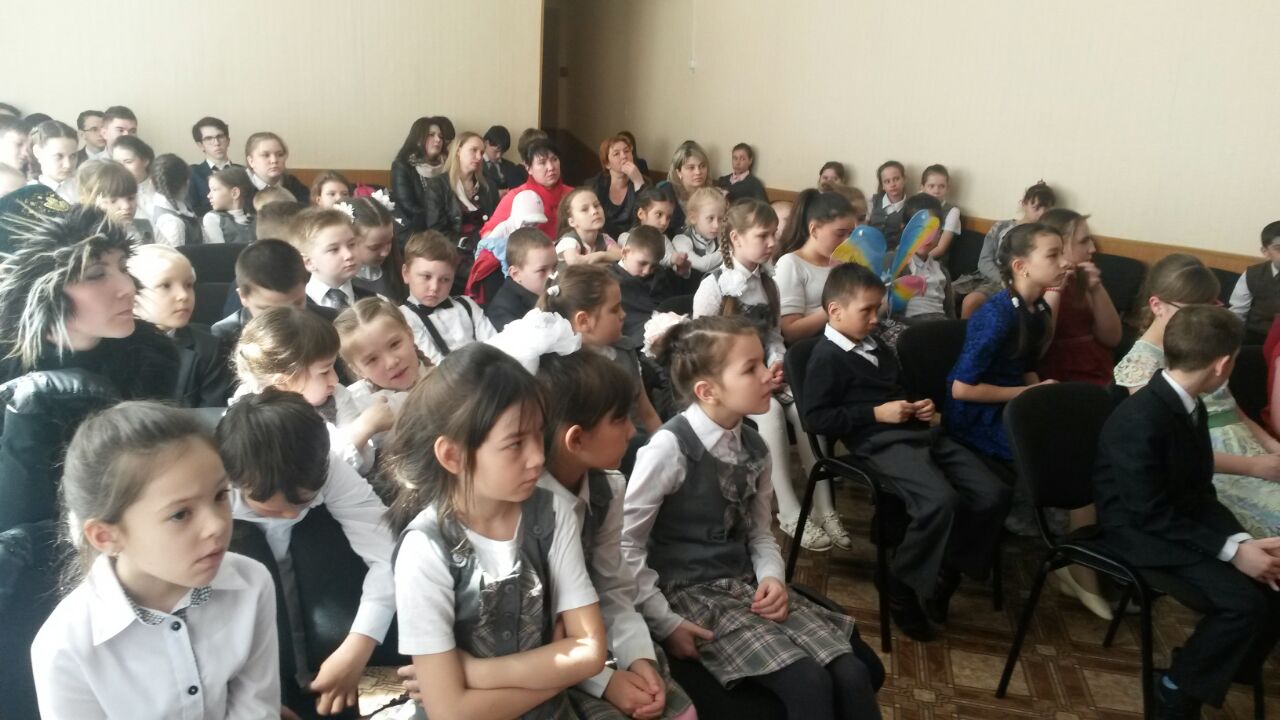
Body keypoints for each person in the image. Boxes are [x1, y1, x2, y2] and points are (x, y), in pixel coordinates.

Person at [623, 315, 883, 720]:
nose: (768, 374)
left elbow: (760, 534)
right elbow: (627, 547)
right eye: (751, 368)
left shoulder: (755, 446)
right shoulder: (669, 449)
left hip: (743, 585)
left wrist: (772, 578)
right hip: (687, 592)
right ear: (707, 390)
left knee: (851, 673)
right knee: (807, 682)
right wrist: (664, 621)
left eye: (763, 361)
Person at [0, 207, 180, 718]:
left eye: (122, 267)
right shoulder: (11, 378)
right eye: (97, 274)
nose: (126, 287)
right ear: (46, 290)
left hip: (131, 574)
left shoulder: (148, 365)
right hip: (24, 594)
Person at [384, 343, 608, 720]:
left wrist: (474, 673)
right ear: (452, 456)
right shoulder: (424, 550)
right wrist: (558, 674)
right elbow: (450, 712)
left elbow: (590, 652)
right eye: (515, 443)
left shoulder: (553, 512)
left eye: (539, 434)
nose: (538, 457)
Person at [489, 324, 697, 719]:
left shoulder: (607, 489)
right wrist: (604, 681)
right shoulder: (519, 513)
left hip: (593, 643)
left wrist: (638, 658)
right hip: (532, 666)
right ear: (576, 439)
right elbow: (524, 633)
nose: (632, 431)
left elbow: (613, 588)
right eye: (619, 420)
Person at [30, 402, 280, 719]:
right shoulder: (64, 648)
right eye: (180, 514)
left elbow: (256, 708)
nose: (217, 525)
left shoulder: (252, 583)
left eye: (220, 495)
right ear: (106, 537)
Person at [804, 263, 1009, 640]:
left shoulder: (876, 344)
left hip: (916, 431)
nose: (875, 317)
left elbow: (898, 390)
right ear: (835, 311)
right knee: (939, 501)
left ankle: (946, 568)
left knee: (992, 492)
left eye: (877, 308)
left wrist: (920, 405)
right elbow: (816, 418)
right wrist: (875, 414)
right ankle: (899, 584)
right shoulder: (826, 357)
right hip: (877, 442)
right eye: (866, 310)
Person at [1094, 305, 1280, 719]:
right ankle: (1174, 689)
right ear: (1223, 365)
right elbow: (1148, 514)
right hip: (1137, 532)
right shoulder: (1141, 418)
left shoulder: (1188, 404)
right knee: (1244, 605)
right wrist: (1232, 551)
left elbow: (1200, 493)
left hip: (1174, 520)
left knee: (1270, 578)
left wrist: (1242, 541)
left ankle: (1222, 669)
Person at [218, 389, 395, 718]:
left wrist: (358, 646)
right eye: (269, 507)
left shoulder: (326, 465)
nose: (289, 514)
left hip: (322, 602)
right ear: (233, 481)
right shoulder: (212, 489)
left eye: (303, 501)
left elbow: (387, 555)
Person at [1115, 254, 1280, 540]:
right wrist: (1254, 466)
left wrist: (1271, 446)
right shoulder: (1142, 363)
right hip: (1209, 462)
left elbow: (1234, 410)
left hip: (1246, 447)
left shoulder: (1202, 346)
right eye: (1195, 309)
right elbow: (1166, 449)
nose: (1207, 318)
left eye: (1212, 306)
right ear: (1158, 306)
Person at [541, 265, 663, 453]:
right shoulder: (566, 371)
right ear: (584, 321)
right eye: (615, 309)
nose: (623, 314)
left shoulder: (624, 350)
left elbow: (646, 413)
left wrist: (664, 446)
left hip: (642, 448)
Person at [129, 245, 233, 406]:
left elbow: (212, 412)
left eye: (188, 285)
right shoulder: (108, 346)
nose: (184, 295)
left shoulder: (209, 349)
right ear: (132, 295)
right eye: (165, 285)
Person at [1037, 209, 1121, 385]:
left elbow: (1112, 338)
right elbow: (1038, 348)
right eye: (1084, 241)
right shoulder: (1037, 285)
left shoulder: (1081, 277)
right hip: (1059, 374)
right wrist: (1055, 289)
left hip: (1094, 367)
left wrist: (1096, 289)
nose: (1093, 249)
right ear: (1058, 247)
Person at [210, 238, 340, 347]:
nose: (285, 320)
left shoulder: (331, 322)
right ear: (243, 297)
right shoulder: (224, 336)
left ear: (306, 285)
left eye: (297, 304)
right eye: (269, 310)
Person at [962, 181, 1056, 318]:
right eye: (1036, 207)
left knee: (971, 301)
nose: (1041, 213)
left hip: (1010, 280)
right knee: (944, 293)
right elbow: (984, 260)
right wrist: (999, 277)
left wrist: (1007, 281)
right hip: (983, 275)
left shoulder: (1042, 237)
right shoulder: (1001, 226)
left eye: (1046, 209)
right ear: (1024, 204)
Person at [399, 230, 495, 364]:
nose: (434, 287)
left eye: (445, 279)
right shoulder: (404, 317)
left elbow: (494, 344)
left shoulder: (467, 304)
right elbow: (433, 362)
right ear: (406, 273)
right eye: (426, 277)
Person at [480, 137, 573, 239]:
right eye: (542, 162)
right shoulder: (518, 196)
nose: (551, 167)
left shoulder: (572, 195)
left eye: (554, 159)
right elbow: (488, 233)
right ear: (528, 168)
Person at [424, 130, 498, 254]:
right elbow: (436, 231)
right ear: (458, 151)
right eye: (473, 150)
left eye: (481, 152)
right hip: (452, 252)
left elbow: (497, 222)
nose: (479, 157)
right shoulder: (437, 186)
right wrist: (465, 243)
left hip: (487, 249)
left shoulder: (489, 186)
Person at [293, 207, 376, 312]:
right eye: (334, 249)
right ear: (308, 262)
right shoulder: (295, 309)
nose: (349, 255)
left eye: (351, 244)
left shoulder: (374, 300)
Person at [390, 116, 454, 235]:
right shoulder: (402, 165)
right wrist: (438, 219)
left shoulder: (448, 165)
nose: (438, 140)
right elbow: (408, 206)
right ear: (418, 138)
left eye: (440, 136)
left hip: (445, 226)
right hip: (415, 229)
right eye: (431, 135)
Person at [487, 227, 558, 331]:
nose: (553, 275)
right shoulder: (503, 312)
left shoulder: (555, 292)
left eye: (555, 267)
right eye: (542, 270)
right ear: (516, 274)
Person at [609, 224, 664, 343]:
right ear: (625, 252)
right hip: (635, 338)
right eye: (642, 263)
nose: (647, 271)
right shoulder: (608, 280)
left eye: (653, 266)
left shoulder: (659, 275)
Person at [1228, 220, 1280, 345]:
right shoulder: (1252, 274)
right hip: (1255, 335)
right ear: (1265, 251)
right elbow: (1238, 312)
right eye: (1279, 249)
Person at [346, 194, 405, 302]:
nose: (385, 252)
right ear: (350, 243)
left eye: (389, 242)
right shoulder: (345, 284)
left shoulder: (396, 267)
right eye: (375, 247)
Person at [588, 134, 649, 238]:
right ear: (607, 164)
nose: (624, 156)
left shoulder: (644, 182)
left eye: (627, 151)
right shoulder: (595, 184)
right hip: (602, 238)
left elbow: (646, 216)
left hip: (633, 239)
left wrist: (638, 181)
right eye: (616, 154)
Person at [76, 158, 147, 243]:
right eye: (113, 200)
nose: (126, 206)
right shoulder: (83, 238)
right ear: (91, 201)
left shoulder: (146, 228)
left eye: (131, 198)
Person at [657, 142, 710, 240]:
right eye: (691, 168)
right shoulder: (667, 191)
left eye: (702, 166)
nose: (698, 172)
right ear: (679, 172)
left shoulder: (711, 195)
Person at [556, 187, 621, 268]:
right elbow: (574, 262)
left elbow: (622, 254)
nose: (595, 211)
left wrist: (600, 255)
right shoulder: (568, 241)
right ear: (572, 222)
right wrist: (605, 261)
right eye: (584, 209)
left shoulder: (604, 238)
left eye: (596, 205)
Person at [670, 187, 726, 277]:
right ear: (693, 218)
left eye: (720, 219)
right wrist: (725, 250)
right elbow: (702, 265)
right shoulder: (681, 240)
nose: (716, 225)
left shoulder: (719, 236)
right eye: (710, 218)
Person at [187, 116, 237, 216]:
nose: (216, 143)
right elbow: (192, 210)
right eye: (209, 138)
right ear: (200, 145)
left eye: (220, 136)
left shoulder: (243, 171)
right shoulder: (192, 173)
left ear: (228, 140)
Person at [244, 131, 308, 203]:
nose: (274, 160)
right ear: (251, 161)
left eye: (280, 155)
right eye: (266, 155)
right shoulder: (241, 188)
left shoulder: (293, 184)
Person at [150, 154, 199, 246]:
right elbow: (175, 255)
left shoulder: (178, 208)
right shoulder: (172, 223)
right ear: (187, 182)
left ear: (152, 183)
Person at [202, 166, 257, 244]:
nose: (208, 195)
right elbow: (217, 249)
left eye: (214, 190)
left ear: (235, 193)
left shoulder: (256, 218)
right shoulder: (213, 218)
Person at [28, 120, 79, 202]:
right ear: (37, 152)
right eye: (58, 156)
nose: (68, 165)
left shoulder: (84, 188)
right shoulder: (28, 194)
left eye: (73, 156)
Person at [918, 164, 962, 258]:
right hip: (912, 258)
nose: (936, 191)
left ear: (947, 188)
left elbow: (940, 249)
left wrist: (918, 261)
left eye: (942, 186)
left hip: (934, 260)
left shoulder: (953, 211)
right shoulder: (917, 206)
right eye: (931, 186)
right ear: (922, 188)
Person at [109, 134, 156, 222]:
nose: (122, 167)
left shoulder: (161, 185)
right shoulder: (110, 192)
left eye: (128, 162)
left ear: (145, 161)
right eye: (117, 163)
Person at [866, 160, 907, 250]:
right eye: (887, 181)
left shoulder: (909, 207)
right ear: (882, 186)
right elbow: (862, 226)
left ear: (904, 179)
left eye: (896, 179)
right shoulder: (872, 202)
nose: (892, 184)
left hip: (894, 253)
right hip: (869, 249)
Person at [482, 124, 526, 192]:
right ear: (486, 143)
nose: (499, 156)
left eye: (502, 152)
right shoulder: (477, 165)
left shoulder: (510, 166)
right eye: (496, 151)